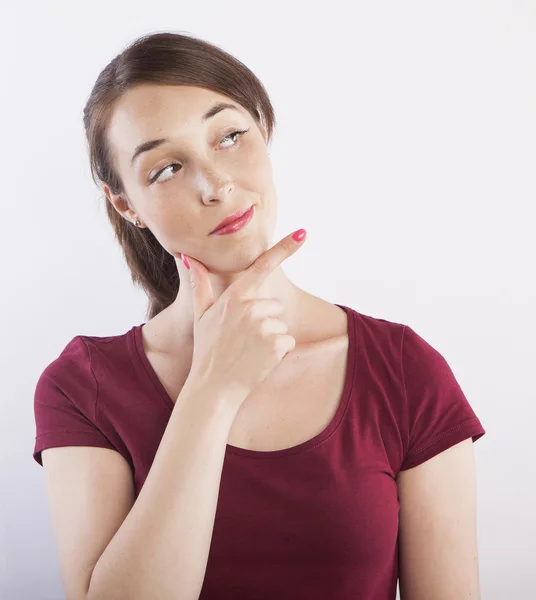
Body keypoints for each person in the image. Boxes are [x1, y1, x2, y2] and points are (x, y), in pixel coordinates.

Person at [32, 31, 486, 600]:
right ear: (126, 204)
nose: (216, 184)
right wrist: (213, 389)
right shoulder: (82, 388)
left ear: (264, 132)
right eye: (167, 168)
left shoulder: (404, 369)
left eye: (229, 136)